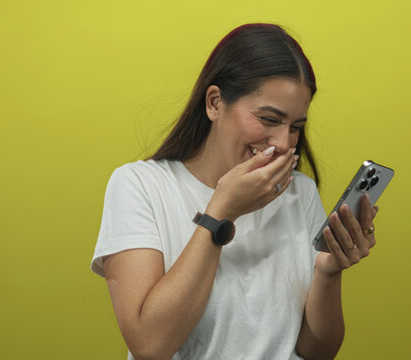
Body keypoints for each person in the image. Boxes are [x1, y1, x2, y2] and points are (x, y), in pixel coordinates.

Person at [91, 23, 379, 360]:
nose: (284, 143)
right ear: (214, 103)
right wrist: (222, 212)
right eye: (269, 119)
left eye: (296, 127)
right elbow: (150, 346)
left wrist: (327, 274)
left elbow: (317, 353)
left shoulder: (299, 192)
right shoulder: (140, 186)